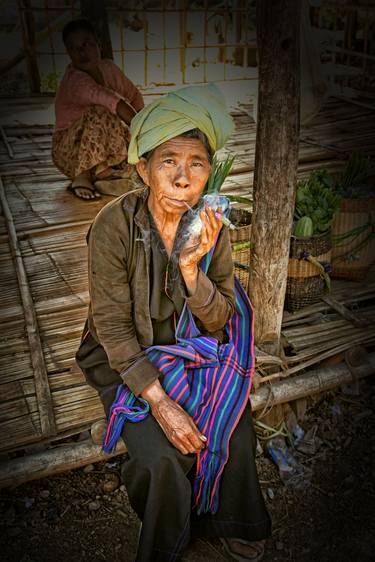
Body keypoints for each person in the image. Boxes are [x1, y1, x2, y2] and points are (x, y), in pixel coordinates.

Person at [76, 84, 271, 562]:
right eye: (169, 161)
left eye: (197, 164)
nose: (183, 178)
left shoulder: (209, 226)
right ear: (143, 169)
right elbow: (113, 328)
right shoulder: (113, 226)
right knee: (157, 452)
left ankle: (228, 519)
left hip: (191, 349)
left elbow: (221, 317)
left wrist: (190, 269)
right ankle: (169, 538)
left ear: (208, 173)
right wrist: (160, 401)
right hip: (124, 356)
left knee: (231, 418)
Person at [52, 18, 144, 200]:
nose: (81, 52)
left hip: (102, 150)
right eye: (74, 48)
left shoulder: (109, 68)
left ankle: (105, 174)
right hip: (71, 152)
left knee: (139, 160)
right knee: (101, 111)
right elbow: (111, 101)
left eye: (87, 44)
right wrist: (143, 131)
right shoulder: (75, 81)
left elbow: (134, 97)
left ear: (98, 44)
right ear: (68, 52)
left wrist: (145, 137)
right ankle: (83, 176)